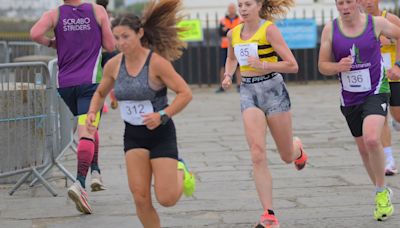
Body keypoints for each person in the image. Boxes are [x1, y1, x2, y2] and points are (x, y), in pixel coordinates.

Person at [86, 0, 196, 226]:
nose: (120, 43)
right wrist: (91, 113)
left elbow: (185, 93)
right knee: (140, 197)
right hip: (133, 135)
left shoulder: (156, 63)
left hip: (161, 133)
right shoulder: (114, 65)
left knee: (165, 199)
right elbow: (99, 93)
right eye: (116, 38)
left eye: (125, 37)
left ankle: (181, 170)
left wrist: (162, 115)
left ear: (140, 34)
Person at [222, 0, 308, 227]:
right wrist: (229, 75)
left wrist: (264, 64)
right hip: (248, 92)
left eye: (248, 4)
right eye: (240, 4)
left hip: (274, 91)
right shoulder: (233, 34)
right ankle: (269, 214)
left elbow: (292, 65)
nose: (242, 8)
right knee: (257, 153)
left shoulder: (268, 30)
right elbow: (231, 59)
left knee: (286, 155)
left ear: (259, 6)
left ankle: (297, 148)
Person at [30, 0, 115, 214]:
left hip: (65, 84)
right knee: (87, 129)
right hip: (91, 83)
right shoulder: (98, 11)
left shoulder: (55, 14)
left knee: (86, 126)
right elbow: (111, 45)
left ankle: (96, 171)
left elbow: (35, 33)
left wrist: (53, 43)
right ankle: (80, 184)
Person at [318, 0, 400, 221]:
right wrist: (337, 67)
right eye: (340, 3)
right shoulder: (330, 29)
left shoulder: (376, 23)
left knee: (372, 139)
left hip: (376, 90)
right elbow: (322, 65)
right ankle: (380, 189)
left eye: (349, 2)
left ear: (356, 3)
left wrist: (398, 64)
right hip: (350, 97)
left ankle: (381, 192)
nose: (345, 7)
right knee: (364, 149)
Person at [360, 0, 400, 176]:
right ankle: (389, 160)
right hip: (375, 78)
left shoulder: (389, 19)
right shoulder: (358, 23)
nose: (367, 2)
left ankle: (396, 121)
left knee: (397, 115)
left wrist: (398, 65)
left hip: (394, 74)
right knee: (380, 117)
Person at [96, 0, 119, 110]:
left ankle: (103, 104)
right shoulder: (111, 18)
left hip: (97, 52)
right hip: (111, 50)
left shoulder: (93, 16)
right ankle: (114, 95)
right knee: (112, 77)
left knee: (99, 79)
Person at [216, 3, 242, 93]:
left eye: (233, 8)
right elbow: (220, 32)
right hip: (225, 46)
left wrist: (227, 30)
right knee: (223, 66)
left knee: (239, 66)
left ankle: (239, 85)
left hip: (237, 44)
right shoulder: (223, 20)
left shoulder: (240, 19)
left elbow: (240, 31)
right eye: (230, 8)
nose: (231, 10)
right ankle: (223, 85)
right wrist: (232, 30)